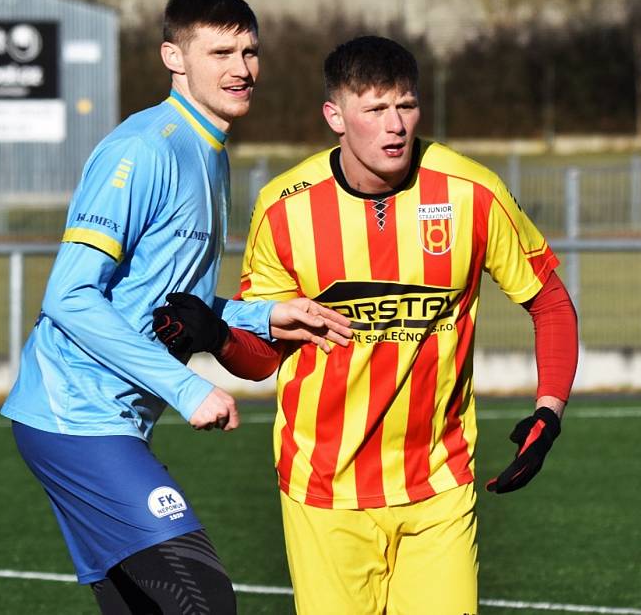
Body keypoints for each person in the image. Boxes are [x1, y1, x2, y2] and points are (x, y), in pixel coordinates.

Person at [154, 35, 578, 615]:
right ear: (335, 116)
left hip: (439, 485)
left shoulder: (471, 192)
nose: (395, 125)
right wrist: (218, 336)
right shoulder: (286, 208)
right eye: (375, 109)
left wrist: (549, 411)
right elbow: (263, 358)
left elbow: (549, 300)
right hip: (323, 493)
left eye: (405, 105)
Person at [0, 0, 352, 615]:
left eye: (249, 52)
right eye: (219, 53)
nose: (241, 70)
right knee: (204, 600)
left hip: (108, 421)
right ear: (174, 58)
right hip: (73, 417)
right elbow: (70, 295)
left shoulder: (207, 150)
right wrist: (187, 387)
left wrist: (264, 314)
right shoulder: (144, 149)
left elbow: (168, 300)